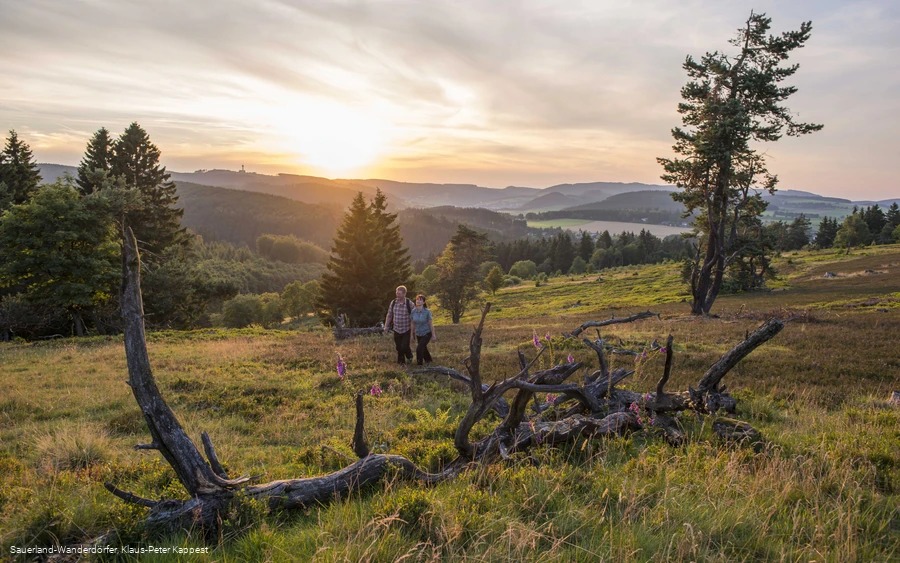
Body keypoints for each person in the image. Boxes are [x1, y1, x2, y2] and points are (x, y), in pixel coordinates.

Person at [384, 285, 414, 364]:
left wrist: (414, 330)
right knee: (398, 347)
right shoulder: (393, 302)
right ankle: (402, 362)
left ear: (404, 294)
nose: (397, 295)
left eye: (399, 294)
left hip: (407, 329)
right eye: (397, 293)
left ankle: (407, 357)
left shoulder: (409, 303)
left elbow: (414, 317)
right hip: (396, 329)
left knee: (404, 346)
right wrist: (386, 326)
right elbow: (389, 315)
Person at [409, 294, 436, 365]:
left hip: (426, 333)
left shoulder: (427, 312)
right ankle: (429, 361)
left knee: (419, 348)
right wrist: (412, 335)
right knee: (424, 348)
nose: (418, 301)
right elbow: (412, 324)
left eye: (420, 300)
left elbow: (430, 324)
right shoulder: (413, 311)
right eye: (417, 299)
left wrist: (433, 335)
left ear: (423, 302)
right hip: (418, 333)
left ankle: (419, 364)